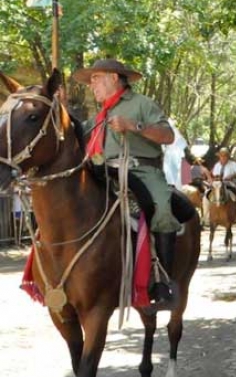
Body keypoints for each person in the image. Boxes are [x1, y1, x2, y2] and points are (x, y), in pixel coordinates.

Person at [73, 58, 181, 308]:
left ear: (113, 77)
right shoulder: (100, 114)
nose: (92, 85)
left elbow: (168, 136)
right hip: (103, 172)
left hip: (142, 171)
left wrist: (134, 125)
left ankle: (163, 282)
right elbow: (77, 134)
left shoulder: (142, 104)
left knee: (162, 209)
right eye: (90, 80)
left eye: (95, 78)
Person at [208, 148, 236, 226]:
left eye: (225, 156)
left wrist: (233, 175)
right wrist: (214, 179)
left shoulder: (233, 164)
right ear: (219, 157)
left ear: (228, 156)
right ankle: (207, 217)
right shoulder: (217, 165)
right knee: (206, 196)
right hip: (218, 185)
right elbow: (214, 176)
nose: (223, 157)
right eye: (221, 156)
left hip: (230, 184)